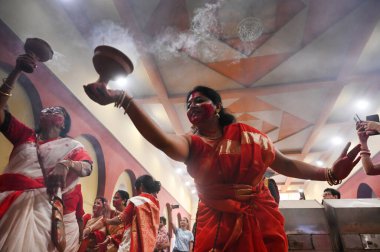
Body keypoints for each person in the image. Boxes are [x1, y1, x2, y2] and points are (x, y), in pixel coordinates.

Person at [84, 84, 361, 251]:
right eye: (189, 104)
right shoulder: (191, 144)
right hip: (214, 223)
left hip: (260, 218)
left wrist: (330, 174)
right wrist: (124, 100)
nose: (192, 105)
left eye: (200, 100)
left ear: (217, 106)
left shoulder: (250, 136)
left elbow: (286, 163)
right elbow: (162, 141)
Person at [0, 54, 93, 251]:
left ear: (63, 122)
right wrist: (16, 72)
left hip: (38, 210)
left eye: (56, 110)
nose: (49, 110)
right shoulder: (25, 135)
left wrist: (65, 164)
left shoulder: (71, 145)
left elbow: (87, 167)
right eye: (47, 108)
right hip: (4, 198)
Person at [83, 175, 161, 252]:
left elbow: (121, 219)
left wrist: (106, 221)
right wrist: (110, 238)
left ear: (141, 186)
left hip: (131, 243)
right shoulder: (155, 206)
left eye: (135, 189)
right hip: (145, 246)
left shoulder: (138, 201)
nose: (113, 200)